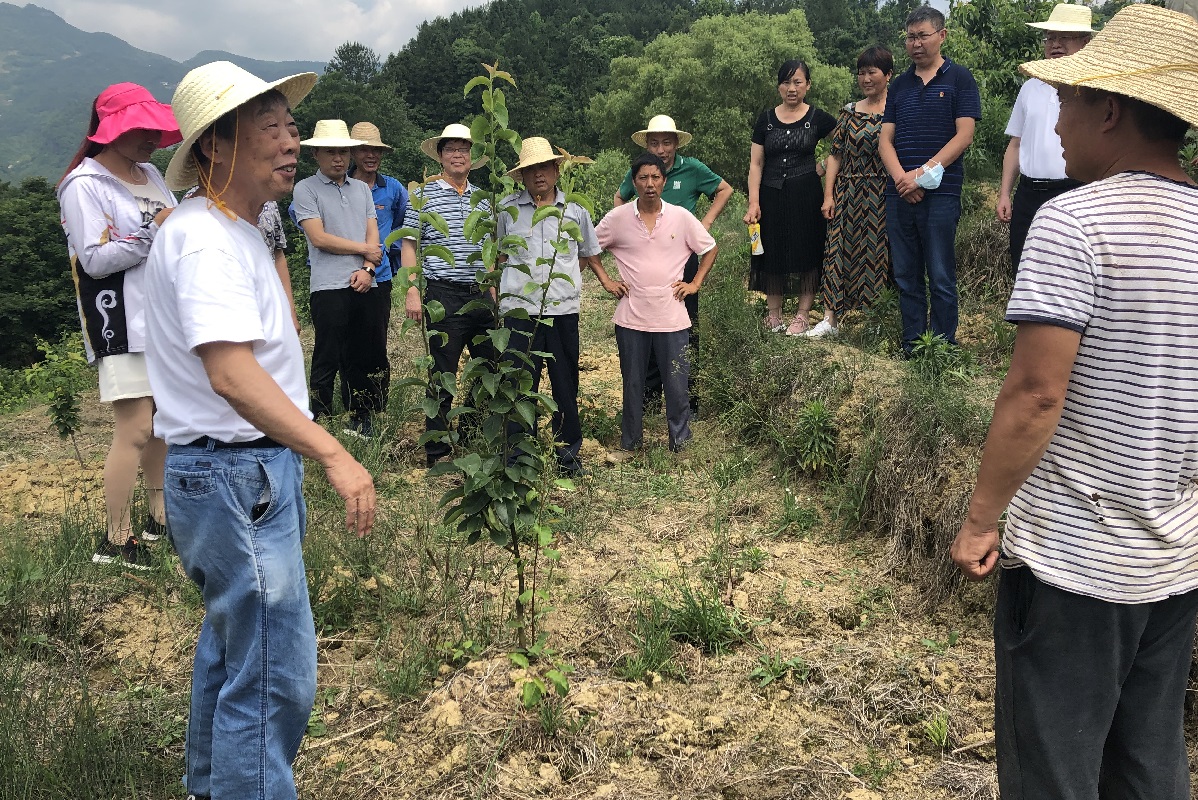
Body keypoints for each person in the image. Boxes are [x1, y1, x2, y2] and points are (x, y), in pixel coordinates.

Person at [949, 6, 1198, 797]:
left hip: (1073, 560)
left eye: (1068, 100)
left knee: (1052, 767)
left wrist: (982, 517)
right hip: (1174, 556)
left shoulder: (1072, 222)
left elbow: (1034, 394)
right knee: (1148, 759)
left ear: (1112, 110)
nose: (1055, 118)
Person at [145, 60, 375, 800]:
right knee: (274, 677)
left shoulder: (232, 230)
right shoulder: (207, 240)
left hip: (237, 478)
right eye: (269, 128)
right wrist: (333, 452)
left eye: (290, 125)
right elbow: (231, 375)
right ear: (216, 146)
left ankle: (211, 787)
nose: (290, 141)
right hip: (235, 479)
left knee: (233, 653)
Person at [56, 82, 180, 568]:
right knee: (135, 427)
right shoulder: (84, 185)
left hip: (163, 316)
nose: (151, 137)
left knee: (162, 427)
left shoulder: (148, 172)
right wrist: (155, 231)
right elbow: (94, 258)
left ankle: (158, 517)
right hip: (119, 318)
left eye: (155, 127)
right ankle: (115, 536)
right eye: (139, 128)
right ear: (110, 130)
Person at [594, 152, 717, 455]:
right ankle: (630, 444)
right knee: (633, 385)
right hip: (631, 317)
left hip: (673, 317)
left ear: (664, 181)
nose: (650, 184)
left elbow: (710, 248)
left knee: (677, 386)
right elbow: (590, 248)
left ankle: (681, 443)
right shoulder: (617, 219)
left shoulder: (681, 216)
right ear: (633, 182)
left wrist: (695, 283)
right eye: (643, 178)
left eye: (655, 177)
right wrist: (607, 281)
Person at [498, 137, 606, 476]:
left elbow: (587, 255)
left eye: (544, 167)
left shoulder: (576, 210)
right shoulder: (506, 209)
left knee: (564, 384)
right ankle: (520, 458)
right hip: (519, 312)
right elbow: (499, 257)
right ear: (522, 176)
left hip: (561, 312)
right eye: (530, 170)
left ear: (556, 169)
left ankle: (567, 456)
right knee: (519, 385)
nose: (538, 175)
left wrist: (563, 281)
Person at [614, 115, 733, 415]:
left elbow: (724, 189)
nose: (661, 148)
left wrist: (704, 223)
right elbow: (620, 197)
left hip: (683, 261)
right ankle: (651, 400)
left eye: (667, 142)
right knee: (646, 326)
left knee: (686, 329)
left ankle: (688, 402)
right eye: (655, 143)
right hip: (646, 261)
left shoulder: (691, 168)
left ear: (676, 143)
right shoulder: (642, 172)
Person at [879, 5, 981, 355]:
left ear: (941, 36)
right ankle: (912, 345)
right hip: (899, 195)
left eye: (922, 36)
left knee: (939, 274)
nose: (916, 44)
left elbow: (964, 135)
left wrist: (920, 176)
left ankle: (941, 347)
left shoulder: (959, 78)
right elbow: (885, 139)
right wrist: (901, 180)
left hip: (942, 193)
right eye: (910, 37)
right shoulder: (900, 85)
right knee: (906, 275)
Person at [401, 123, 495, 467]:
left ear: (472, 157)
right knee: (443, 373)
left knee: (490, 364)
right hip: (443, 293)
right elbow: (409, 244)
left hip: (480, 293)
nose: (458, 155)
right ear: (440, 156)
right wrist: (412, 288)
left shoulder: (482, 198)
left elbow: (489, 247)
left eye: (464, 149)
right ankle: (438, 450)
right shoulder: (424, 195)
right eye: (451, 149)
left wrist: (493, 290)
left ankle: (469, 431)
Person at [292, 120, 383, 436]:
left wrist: (368, 270)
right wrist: (364, 250)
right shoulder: (305, 188)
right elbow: (319, 238)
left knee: (362, 355)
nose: (338, 158)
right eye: (330, 152)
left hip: (363, 283)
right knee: (327, 355)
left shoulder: (361, 189)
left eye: (343, 151)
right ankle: (318, 419)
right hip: (328, 286)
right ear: (316, 153)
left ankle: (361, 419)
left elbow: (375, 238)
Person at [996, 3, 1092, 273]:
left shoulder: (1095, 89)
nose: (1055, 44)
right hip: (1029, 194)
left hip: (1076, 191)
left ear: (1085, 42)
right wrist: (1005, 193)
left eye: (1064, 37)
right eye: (1050, 37)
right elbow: (1015, 144)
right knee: (1025, 271)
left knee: (1071, 273)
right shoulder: (1030, 86)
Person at [744, 60, 837, 336]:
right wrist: (753, 201)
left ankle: (802, 315)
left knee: (807, 250)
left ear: (808, 85)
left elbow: (841, 144)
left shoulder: (818, 117)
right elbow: (756, 164)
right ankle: (774, 315)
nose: (792, 88)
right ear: (778, 87)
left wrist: (821, 169)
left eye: (798, 82)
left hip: (807, 193)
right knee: (771, 251)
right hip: (770, 195)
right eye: (786, 82)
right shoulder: (766, 119)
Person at [812, 46, 894, 339]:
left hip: (881, 192)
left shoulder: (896, 110)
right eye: (861, 73)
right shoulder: (848, 111)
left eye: (872, 72)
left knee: (875, 255)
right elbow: (835, 154)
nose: (866, 78)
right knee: (836, 250)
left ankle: (873, 320)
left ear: (888, 74)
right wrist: (828, 195)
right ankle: (830, 318)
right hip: (846, 190)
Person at [348, 121, 409, 423]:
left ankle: (377, 403)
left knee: (375, 342)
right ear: (352, 153)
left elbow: (405, 225)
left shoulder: (393, 189)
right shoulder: (338, 185)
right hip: (343, 275)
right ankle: (351, 404)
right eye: (363, 149)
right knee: (347, 342)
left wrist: (386, 246)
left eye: (375, 150)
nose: (370, 155)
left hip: (380, 276)